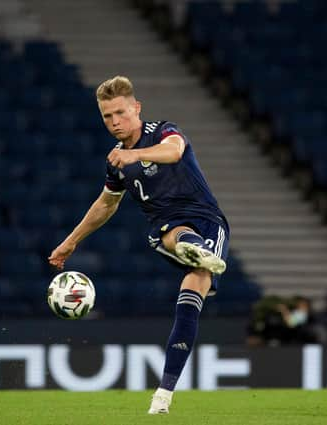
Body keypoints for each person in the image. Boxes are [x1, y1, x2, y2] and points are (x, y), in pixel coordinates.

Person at [48, 76, 229, 414]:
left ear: (136, 109)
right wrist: (70, 242)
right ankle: (192, 246)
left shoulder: (161, 132)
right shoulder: (115, 161)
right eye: (106, 116)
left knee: (189, 301)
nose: (114, 122)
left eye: (120, 113)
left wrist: (136, 156)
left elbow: (174, 151)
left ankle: (163, 394)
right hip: (165, 227)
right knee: (173, 234)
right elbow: (106, 204)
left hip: (208, 221)